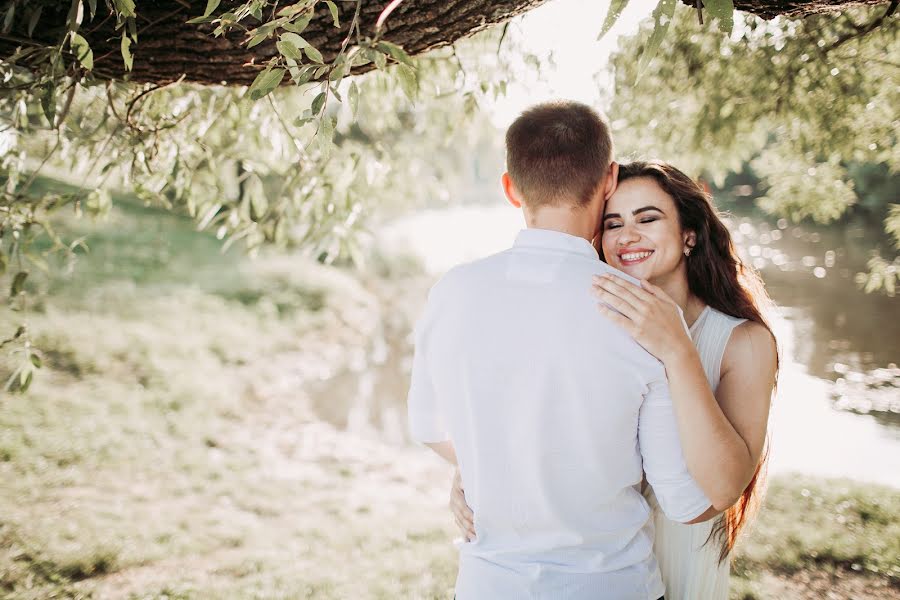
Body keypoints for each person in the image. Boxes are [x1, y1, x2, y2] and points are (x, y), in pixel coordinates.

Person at [407, 102, 715, 600]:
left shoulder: (452, 292)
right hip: (614, 586)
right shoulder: (643, 312)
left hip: (489, 585)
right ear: (609, 179)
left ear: (510, 188)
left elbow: (427, 427)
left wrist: (490, 465)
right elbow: (682, 498)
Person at [448, 160, 778, 599]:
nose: (627, 236)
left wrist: (678, 350)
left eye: (648, 218)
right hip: (594, 559)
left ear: (689, 235)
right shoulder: (594, 323)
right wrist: (469, 474)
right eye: (612, 223)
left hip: (678, 545)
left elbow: (722, 488)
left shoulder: (745, 343)